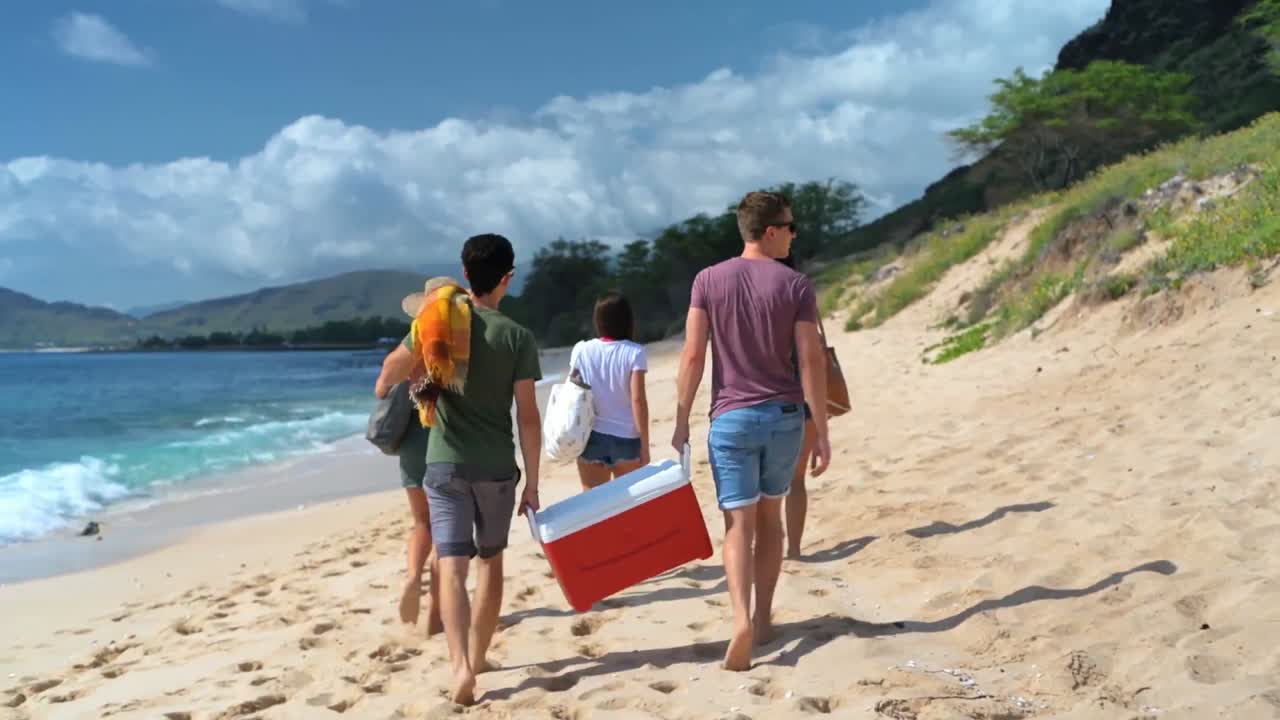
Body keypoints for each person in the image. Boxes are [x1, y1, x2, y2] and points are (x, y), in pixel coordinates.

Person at [375, 233, 542, 705]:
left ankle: (459, 667)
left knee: (450, 568)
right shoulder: (516, 337)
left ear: (465, 274)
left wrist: (420, 373)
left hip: (444, 463)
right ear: (507, 278)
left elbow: (387, 375)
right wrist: (533, 481)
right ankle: (480, 653)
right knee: (490, 563)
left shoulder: (435, 324)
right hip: (496, 468)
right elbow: (528, 417)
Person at [672, 191, 831, 671]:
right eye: (790, 225)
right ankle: (762, 619)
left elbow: (694, 355)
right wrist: (820, 428)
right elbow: (810, 359)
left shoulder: (707, 281)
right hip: (783, 418)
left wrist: (680, 419)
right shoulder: (795, 284)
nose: (794, 233)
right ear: (769, 231)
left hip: (731, 420)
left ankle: (739, 618)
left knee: (738, 526)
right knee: (770, 523)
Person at [370, 366, 443, 633]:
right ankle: (436, 615)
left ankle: (413, 575)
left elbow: (382, 389)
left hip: (414, 440)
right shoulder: (462, 342)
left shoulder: (411, 347)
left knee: (422, 522)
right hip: (448, 440)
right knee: (448, 530)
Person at [569, 291, 650, 490]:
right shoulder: (635, 352)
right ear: (628, 319)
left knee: (594, 508)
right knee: (631, 509)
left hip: (591, 436)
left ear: (598, 320)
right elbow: (637, 400)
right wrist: (645, 445)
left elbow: (573, 394)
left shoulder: (582, 350)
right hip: (626, 438)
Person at [777, 254, 818, 559]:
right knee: (797, 480)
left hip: (764, 403)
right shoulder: (802, 300)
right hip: (802, 405)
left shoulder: (754, 308)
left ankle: (770, 547)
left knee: (763, 487)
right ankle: (794, 549)